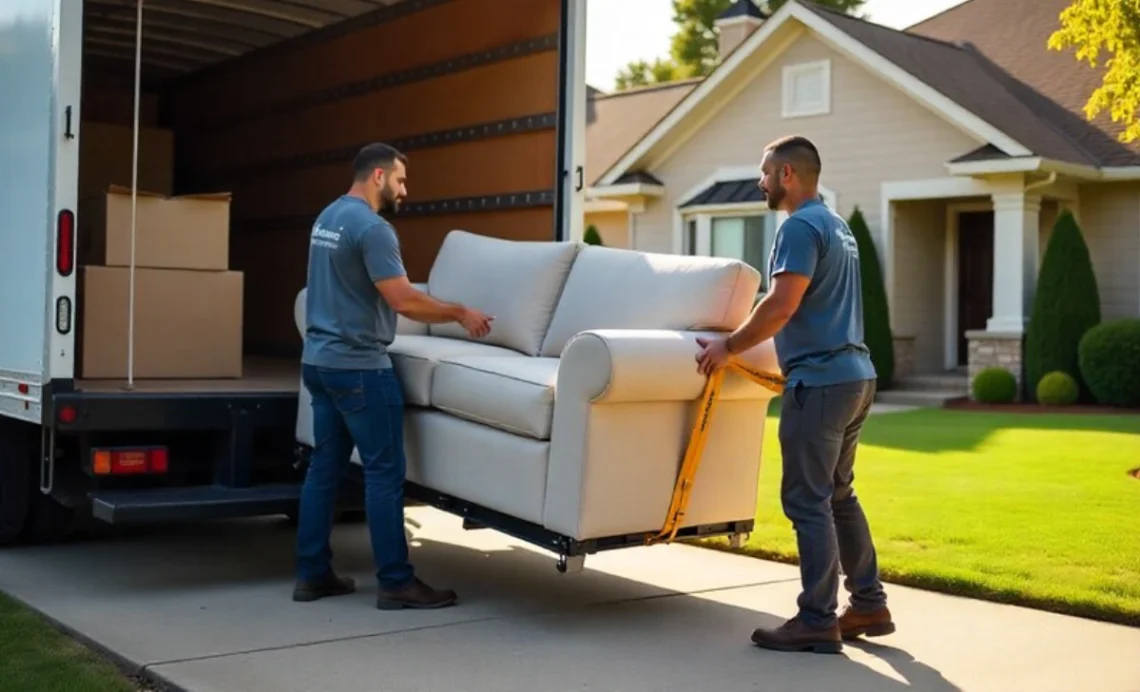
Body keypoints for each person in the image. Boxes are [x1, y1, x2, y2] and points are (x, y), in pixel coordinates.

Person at [695, 135, 892, 654]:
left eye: (764, 173)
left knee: (808, 500)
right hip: (856, 376)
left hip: (821, 383)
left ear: (787, 174)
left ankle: (817, 619)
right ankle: (868, 604)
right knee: (839, 495)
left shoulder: (799, 227)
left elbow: (782, 304)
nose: (760, 182)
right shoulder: (837, 225)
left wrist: (728, 347)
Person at [293, 142, 493, 610]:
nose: (405, 190)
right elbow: (403, 300)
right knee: (383, 474)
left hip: (319, 363)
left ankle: (312, 575)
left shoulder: (327, 218)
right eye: (400, 180)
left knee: (324, 470)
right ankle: (397, 582)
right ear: (378, 176)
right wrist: (460, 312)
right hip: (359, 367)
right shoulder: (373, 228)